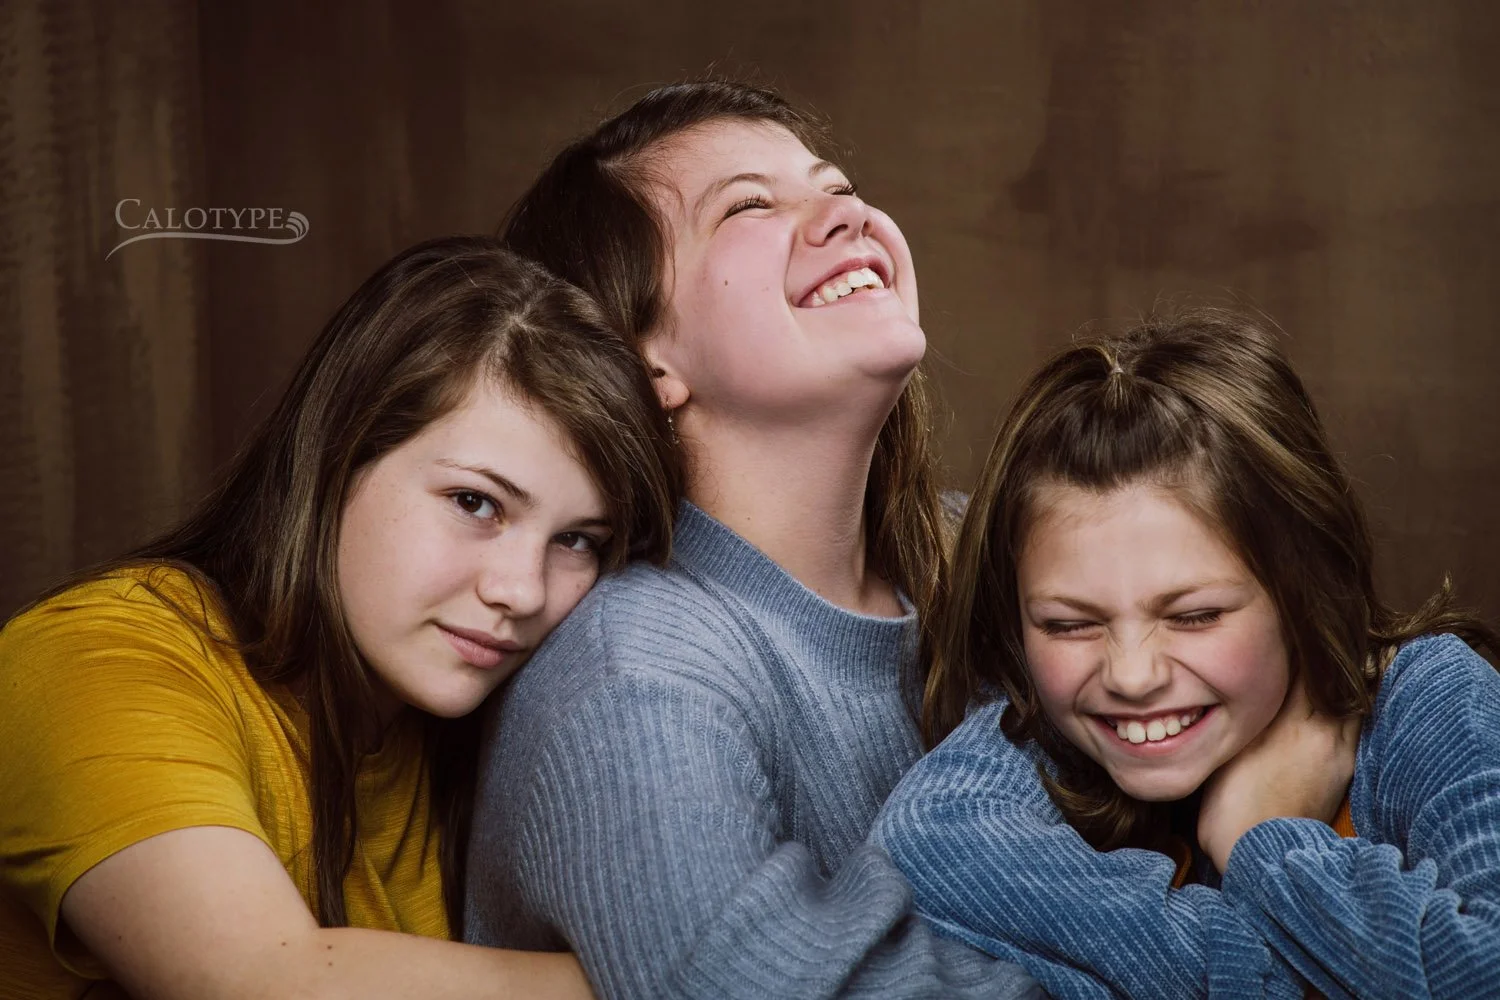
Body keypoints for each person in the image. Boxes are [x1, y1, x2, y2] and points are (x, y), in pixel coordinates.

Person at [463, 81, 1040, 999]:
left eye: (837, 185)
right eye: (751, 205)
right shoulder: (637, 682)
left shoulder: (987, 556)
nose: (844, 214)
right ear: (643, 358)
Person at [0, 236, 678, 1000]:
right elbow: (265, 982)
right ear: (337, 455)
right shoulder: (92, 657)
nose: (522, 591)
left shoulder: (472, 726)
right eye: (475, 503)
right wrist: (697, 975)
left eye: (577, 540)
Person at [872, 307, 1500, 999]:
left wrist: (1265, 840)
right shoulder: (1041, 725)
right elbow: (927, 837)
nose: (1132, 677)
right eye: (1068, 625)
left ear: (1304, 590)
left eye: (1195, 615)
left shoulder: (1429, 701)